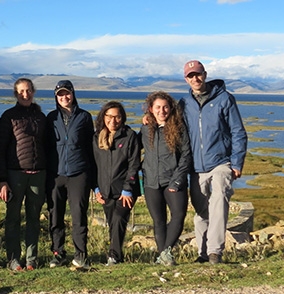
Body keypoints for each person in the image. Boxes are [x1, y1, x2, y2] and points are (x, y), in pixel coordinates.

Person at [181, 60, 247, 264]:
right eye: (191, 76)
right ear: (186, 79)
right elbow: (170, 125)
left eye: (198, 74)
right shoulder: (184, 103)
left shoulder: (224, 99)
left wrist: (236, 163)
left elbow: (238, 132)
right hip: (196, 167)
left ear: (205, 74)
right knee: (201, 211)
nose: (195, 79)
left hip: (221, 162)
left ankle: (215, 252)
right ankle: (202, 253)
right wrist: (148, 118)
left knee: (219, 198)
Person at [0, 78, 47, 271]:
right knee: (13, 218)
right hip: (15, 174)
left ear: (33, 92)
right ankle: (13, 259)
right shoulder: (9, 116)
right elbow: (0, 149)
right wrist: (2, 180)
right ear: (15, 94)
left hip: (38, 174)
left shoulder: (41, 117)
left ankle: (32, 259)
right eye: (21, 92)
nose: (25, 95)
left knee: (34, 218)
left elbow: (47, 147)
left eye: (29, 91)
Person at [138, 91, 192, 266]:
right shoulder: (146, 129)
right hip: (152, 182)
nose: (162, 111)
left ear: (171, 108)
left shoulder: (179, 127)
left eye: (165, 107)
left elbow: (186, 155)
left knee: (178, 215)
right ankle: (164, 257)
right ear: (151, 109)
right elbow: (135, 150)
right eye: (158, 107)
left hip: (173, 180)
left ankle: (165, 253)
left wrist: (177, 179)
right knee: (158, 221)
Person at [46, 80, 95, 269]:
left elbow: (90, 147)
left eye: (67, 93)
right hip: (56, 174)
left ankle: (80, 254)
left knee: (78, 215)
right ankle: (58, 253)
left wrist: (92, 177)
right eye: (60, 94)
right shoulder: (51, 118)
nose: (64, 97)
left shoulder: (84, 117)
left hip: (78, 173)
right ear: (56, 98)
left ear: (73, 94)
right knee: (55, 215)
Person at [92, 101, 141, 266]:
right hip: (105, 191)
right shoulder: (96, 138)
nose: (113, 120)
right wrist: (96, 188)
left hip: (125, 191)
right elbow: (93, 165)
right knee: (113, 223)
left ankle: (113, 256)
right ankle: (116, 257)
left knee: (119, 218)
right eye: (109, 116)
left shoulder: (129, 136)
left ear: (122, 118)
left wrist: (127, 189)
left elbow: (134, 165)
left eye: (117, 116)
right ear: (103, 117)